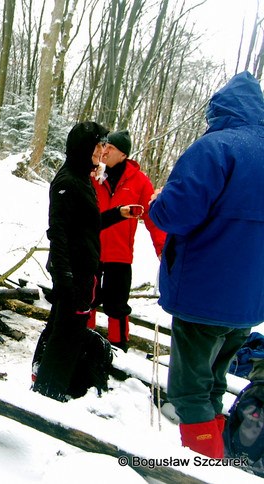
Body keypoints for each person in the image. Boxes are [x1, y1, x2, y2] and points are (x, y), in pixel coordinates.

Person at [148, 71, 264, 459]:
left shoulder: (215, 148)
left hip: (204, 293)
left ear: (219, 110)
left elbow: (173, 214)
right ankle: (221, 459)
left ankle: (202, 468)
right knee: (214, 382)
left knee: (188, 391)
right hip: (249, 302)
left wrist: (158, 202)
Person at [32, 121, 141, 402]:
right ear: (83, 148)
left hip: (82, 272)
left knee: (65, 332)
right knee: (64, 336)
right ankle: (48, 392)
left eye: (104, 145)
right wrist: (66, 278)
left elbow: (87, 226)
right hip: (73, 273)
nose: (102, 151)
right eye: (98, 145)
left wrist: (119, 213)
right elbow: (58, 233)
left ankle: (49, 386)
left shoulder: (83, 178)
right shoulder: (68, 181)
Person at [88, 130, 166, 352]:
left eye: (110, 148)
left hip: (119, 254)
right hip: (91, 249)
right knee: (88, 300)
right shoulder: (93, 174)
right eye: (104, 147)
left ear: (123, 154)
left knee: (117, 306)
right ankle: (84, 342)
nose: (105, 151)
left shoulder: (139, 181)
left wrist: (161, 247)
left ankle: (118, 348)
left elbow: (152, 218)